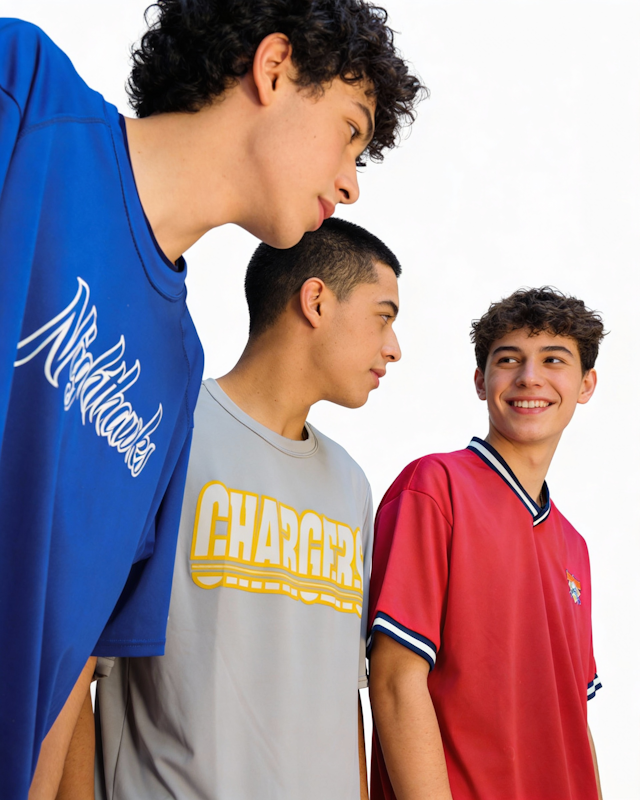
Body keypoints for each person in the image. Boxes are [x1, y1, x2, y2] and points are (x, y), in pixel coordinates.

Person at [0, 3, 423, 797]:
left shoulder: (172, 366)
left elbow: (68, 658)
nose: (350, 182)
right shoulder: (24, 97)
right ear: (274, 69)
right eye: (349, 131)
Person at [87, 218, 402, 800]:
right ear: (316, 301)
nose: (394, 348)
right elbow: (74, 669)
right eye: (383, 317)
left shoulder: (351, 485)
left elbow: (346, 701)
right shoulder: (163, 435)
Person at [367, 287, 605, 800]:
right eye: (509, 359)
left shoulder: (575, 547)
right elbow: (394, 682)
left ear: (586, 384)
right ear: (481, 380)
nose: (529, 377)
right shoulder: (435, 489)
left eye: (553, 360)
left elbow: (574, 722)